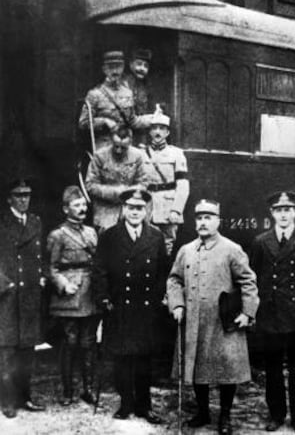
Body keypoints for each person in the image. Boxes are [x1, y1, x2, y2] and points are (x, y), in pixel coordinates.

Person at [167, 199, 259, 435]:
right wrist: (176, 304)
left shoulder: (231, 249)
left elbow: (248, 281)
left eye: (208, 217)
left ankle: (225, 416)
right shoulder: (186, 250)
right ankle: (203, 412)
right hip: (194, 322)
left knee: (227, 371)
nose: (203, 222)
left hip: (223, 322)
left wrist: (247, 313)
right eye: (199, 218)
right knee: (198, 369)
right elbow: (174, 279)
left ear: (218, 221)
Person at [250, 191, 295, 434]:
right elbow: (253, 278)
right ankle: (277, 415)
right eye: (279, 210)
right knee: (272, 369)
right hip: (269, 315)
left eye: (288, 209)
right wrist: (252, 311)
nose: (283, 214)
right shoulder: (261, 242)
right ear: (272, 213)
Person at [93, 186, 168, 422]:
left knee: (145, 358)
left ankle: (144, 406)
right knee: (122, 358)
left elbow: (163, 272)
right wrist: (104, 298)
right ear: (123, 209)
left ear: (145, 210)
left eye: (139, 208)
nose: (135, 212)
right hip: (120, 307)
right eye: (130, 208)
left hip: (146, 308)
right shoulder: (109, 236)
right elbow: (100, 270)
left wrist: (157, 299)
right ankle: (125, 404)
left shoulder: (156, 236)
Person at [47, 186, 100, 406]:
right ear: (65, 208)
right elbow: (50, 267)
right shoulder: (57, 235)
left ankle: (87, 389)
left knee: (88, 342)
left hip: (90, 293)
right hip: (70, 294)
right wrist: (63, 284)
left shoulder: (91, 232)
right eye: (76, 205)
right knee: (70, 342)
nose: (82, 209)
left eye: (83, 205)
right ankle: (68, 391)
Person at [0, 179, 45, 418]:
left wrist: (42, 277)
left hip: (28, 294)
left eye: (27, 195)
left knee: (27, 349)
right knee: (6, 350)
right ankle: (7, 400)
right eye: (18, 195)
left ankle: (24, 396)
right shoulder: (2, 222)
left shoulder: (36, 222)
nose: (23, 199)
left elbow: (40, 258)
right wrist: (3, 283)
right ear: (9, 199)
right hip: (6, 295)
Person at [79, 51, 150, 151]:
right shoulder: (95, 94)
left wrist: (152, 119)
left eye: (118, 67)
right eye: (111, 67)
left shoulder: (128, 93)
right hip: (105, 146)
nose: (115, 71)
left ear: (123, 68)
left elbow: (132, 121)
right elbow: (83, 123)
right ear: (104, 69)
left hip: (125, 144)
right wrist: (104, 121)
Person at [143, 109, 189, 255]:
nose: (157, 132)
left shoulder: (177, 154)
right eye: (154, 128)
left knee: (166, 247)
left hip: (167, 207)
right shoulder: (140, 153)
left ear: (167, 133)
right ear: (149, 132)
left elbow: (183, 184)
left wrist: (176, 209)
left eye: (162, 129)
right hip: (146, 206)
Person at [85, 125, 148, 231]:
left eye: (123, 148)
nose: (119, 151)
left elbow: (144, 182)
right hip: (105, 212)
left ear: (130, 142)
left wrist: (128, 192)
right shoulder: (99, 156)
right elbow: (90, 185)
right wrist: (114, 192)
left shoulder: (137, 156)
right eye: (116, 146)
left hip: (130, 210)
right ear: (111, 140)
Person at [123, 47, 154, 146]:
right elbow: (128, 119)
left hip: (140, 135)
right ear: (131, 64)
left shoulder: (145, 87)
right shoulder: (124, 84)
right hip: (124, 134)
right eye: (139, 64)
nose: (142, 69)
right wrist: (151, 119)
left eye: (146, 66)